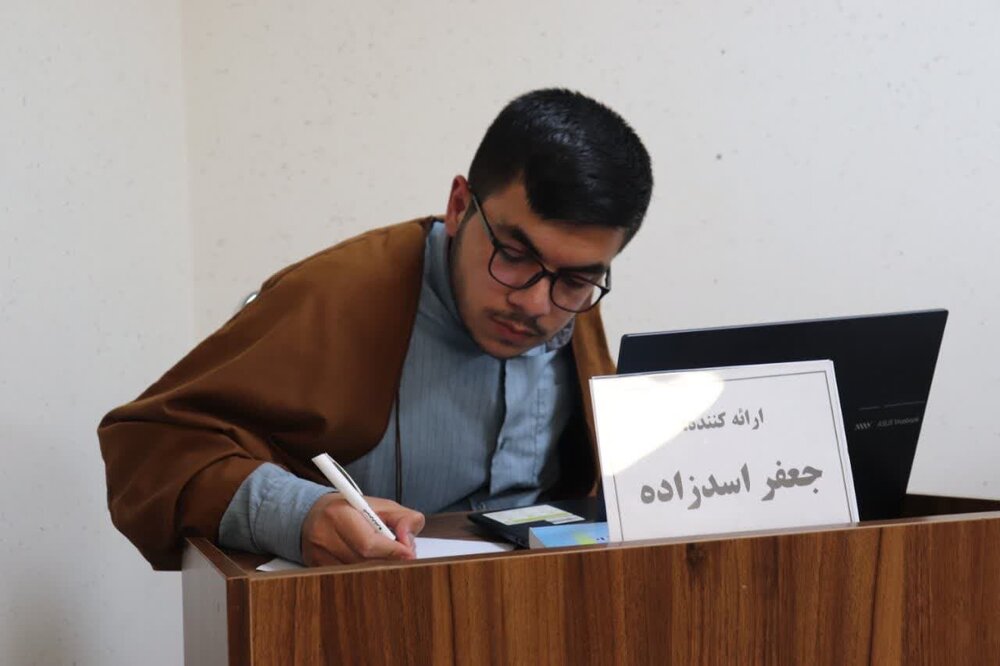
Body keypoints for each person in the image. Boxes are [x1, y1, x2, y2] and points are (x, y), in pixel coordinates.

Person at [98, 88, 653, 570]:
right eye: (512, 254)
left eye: (576, 279)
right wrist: (302, 514)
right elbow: (150, 446)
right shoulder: (338, 293)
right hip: (358, 613)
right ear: (459, 206)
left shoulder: (569, 307)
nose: (533, 303)